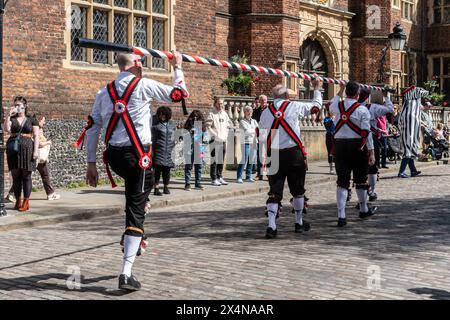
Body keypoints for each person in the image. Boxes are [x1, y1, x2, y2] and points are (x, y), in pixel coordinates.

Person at [85, 51, 188, 291]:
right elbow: (178, 94)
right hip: (138, 157)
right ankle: (126, 272)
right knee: (135, 208)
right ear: (135, 65)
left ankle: (135, 233)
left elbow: (92, 128)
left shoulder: (103, 92)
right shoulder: (144, 85)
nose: (142, 63)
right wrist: (178, 67)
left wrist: (91, 163)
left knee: (140, 195)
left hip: (114, 157)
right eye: (140, 61)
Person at [259, 80, 323, 239]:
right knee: (298, 191)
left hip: (273, 153)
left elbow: (261, 135)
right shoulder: (294, 106)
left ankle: (271, 226)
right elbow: (316, 107)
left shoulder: (265, 112)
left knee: (274, 192)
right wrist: (316, 88)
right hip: (294, 154)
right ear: (287, 95)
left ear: (273, 97)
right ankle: (298, 223)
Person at [330, 82, 377, 228]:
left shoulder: (337, 106)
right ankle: (363, 209)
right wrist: (371, 152)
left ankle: (341, 216)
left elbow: (333, 101)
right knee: (360, 180)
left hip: (339, 146)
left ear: (345, 93)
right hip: (358, 147)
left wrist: (340, 90)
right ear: (357, 95)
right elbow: (366, 133)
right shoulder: (362, 110)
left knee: (342, 181)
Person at [4, 96, 40, 212]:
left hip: (27, 149)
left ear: (25, 106)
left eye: (19, 105)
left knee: (26, 176)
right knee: (16, 177)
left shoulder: (32, 119)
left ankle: (26, 202)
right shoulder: (12, 118)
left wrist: (35, 151)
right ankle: (18, 200)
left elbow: (36, 135)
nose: (17, 107)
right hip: (13, 150)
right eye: (15, 105)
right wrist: (8, 115)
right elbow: (7, 129)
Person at [363, 89, 394, 202]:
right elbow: (390, 110)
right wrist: (387, 97)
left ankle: (351, 193)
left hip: (354, 140)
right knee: (372, 168)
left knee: (358, 169)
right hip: (369, 138)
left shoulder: (348, 107)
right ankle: (370, 192)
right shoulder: (372, 107)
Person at [398, 85, 430, 178]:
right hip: (408, 133)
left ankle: (413, 171)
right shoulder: (410, 105)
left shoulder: (414, 104)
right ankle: (401, 172)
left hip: (411, 131)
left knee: (410, 151)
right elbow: (406, 119)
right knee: (408, 151)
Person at [207, 97, 234, 186]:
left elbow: (229, 124)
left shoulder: (225, 114)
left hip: (223, 140)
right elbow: (208, 126)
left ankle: (219, 176)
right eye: (219, 103)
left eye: (222, 103)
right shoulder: (212, 114)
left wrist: (227, 132)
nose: (221, 105)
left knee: (221, 160)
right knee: (214, 160)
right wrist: (215, 135)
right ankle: (214, 178)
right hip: (214, 140)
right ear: (215, 104)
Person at [152, 106, 176, 196]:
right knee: (157, 171)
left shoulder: (172, 125)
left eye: (163, 114)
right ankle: (156, 188)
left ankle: (166, 187)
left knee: (167, 171)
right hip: (158, 150)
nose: (161, 116)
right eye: (160, 114)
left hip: (169, 151)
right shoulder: (155, 124)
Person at [36, 116, 61, 201]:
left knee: (25, 175)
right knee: (45, 175)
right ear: (39, 120)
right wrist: (48, 142)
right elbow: (39, 144)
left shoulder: (37, 129)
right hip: (39, 157)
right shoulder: (37, 130)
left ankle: (12, 194)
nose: (44, 122)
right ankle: (50, 194)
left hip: (35, 157)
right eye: (43, 121)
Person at [183, 110, 208, 191]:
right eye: (194, 116)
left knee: (199, 166)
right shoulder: (188, 125)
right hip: (189, 148)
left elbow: (206, 139)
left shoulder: (202, 127)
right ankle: (187, 184)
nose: (195, 118)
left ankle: (198, 183)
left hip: (199, 149)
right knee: (188, 166)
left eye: (197, 117)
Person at [237, 106, 259, 183]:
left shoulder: (254, 121)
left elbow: (258, 131)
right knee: (244, 159)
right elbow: (246, 131)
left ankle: (248, 176)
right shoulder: (242, 121)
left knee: (251, 160)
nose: (249, 112)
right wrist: (254, 131)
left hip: (254, 142)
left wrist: (253, 131)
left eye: (250, 111)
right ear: (244, 112)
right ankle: (239, 176)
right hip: (245, 142)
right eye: (247, 111)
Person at [253, 95, 268, 180]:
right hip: (259, 134)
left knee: (268, 155)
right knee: (259, 155)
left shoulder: (270, 110)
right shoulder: (256, 111)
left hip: (268, 134)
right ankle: (259, 174)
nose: (264, 102)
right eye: (262, 100)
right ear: (260, 101)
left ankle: (269, 174)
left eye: (265, 100)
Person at [323, 104, 335, 174]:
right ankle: (331, 168)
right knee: (330, 151)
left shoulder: (337, 117)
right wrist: (331, 120)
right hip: (329, 136)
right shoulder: (326, 119)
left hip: (336, 136)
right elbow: (327, 127)